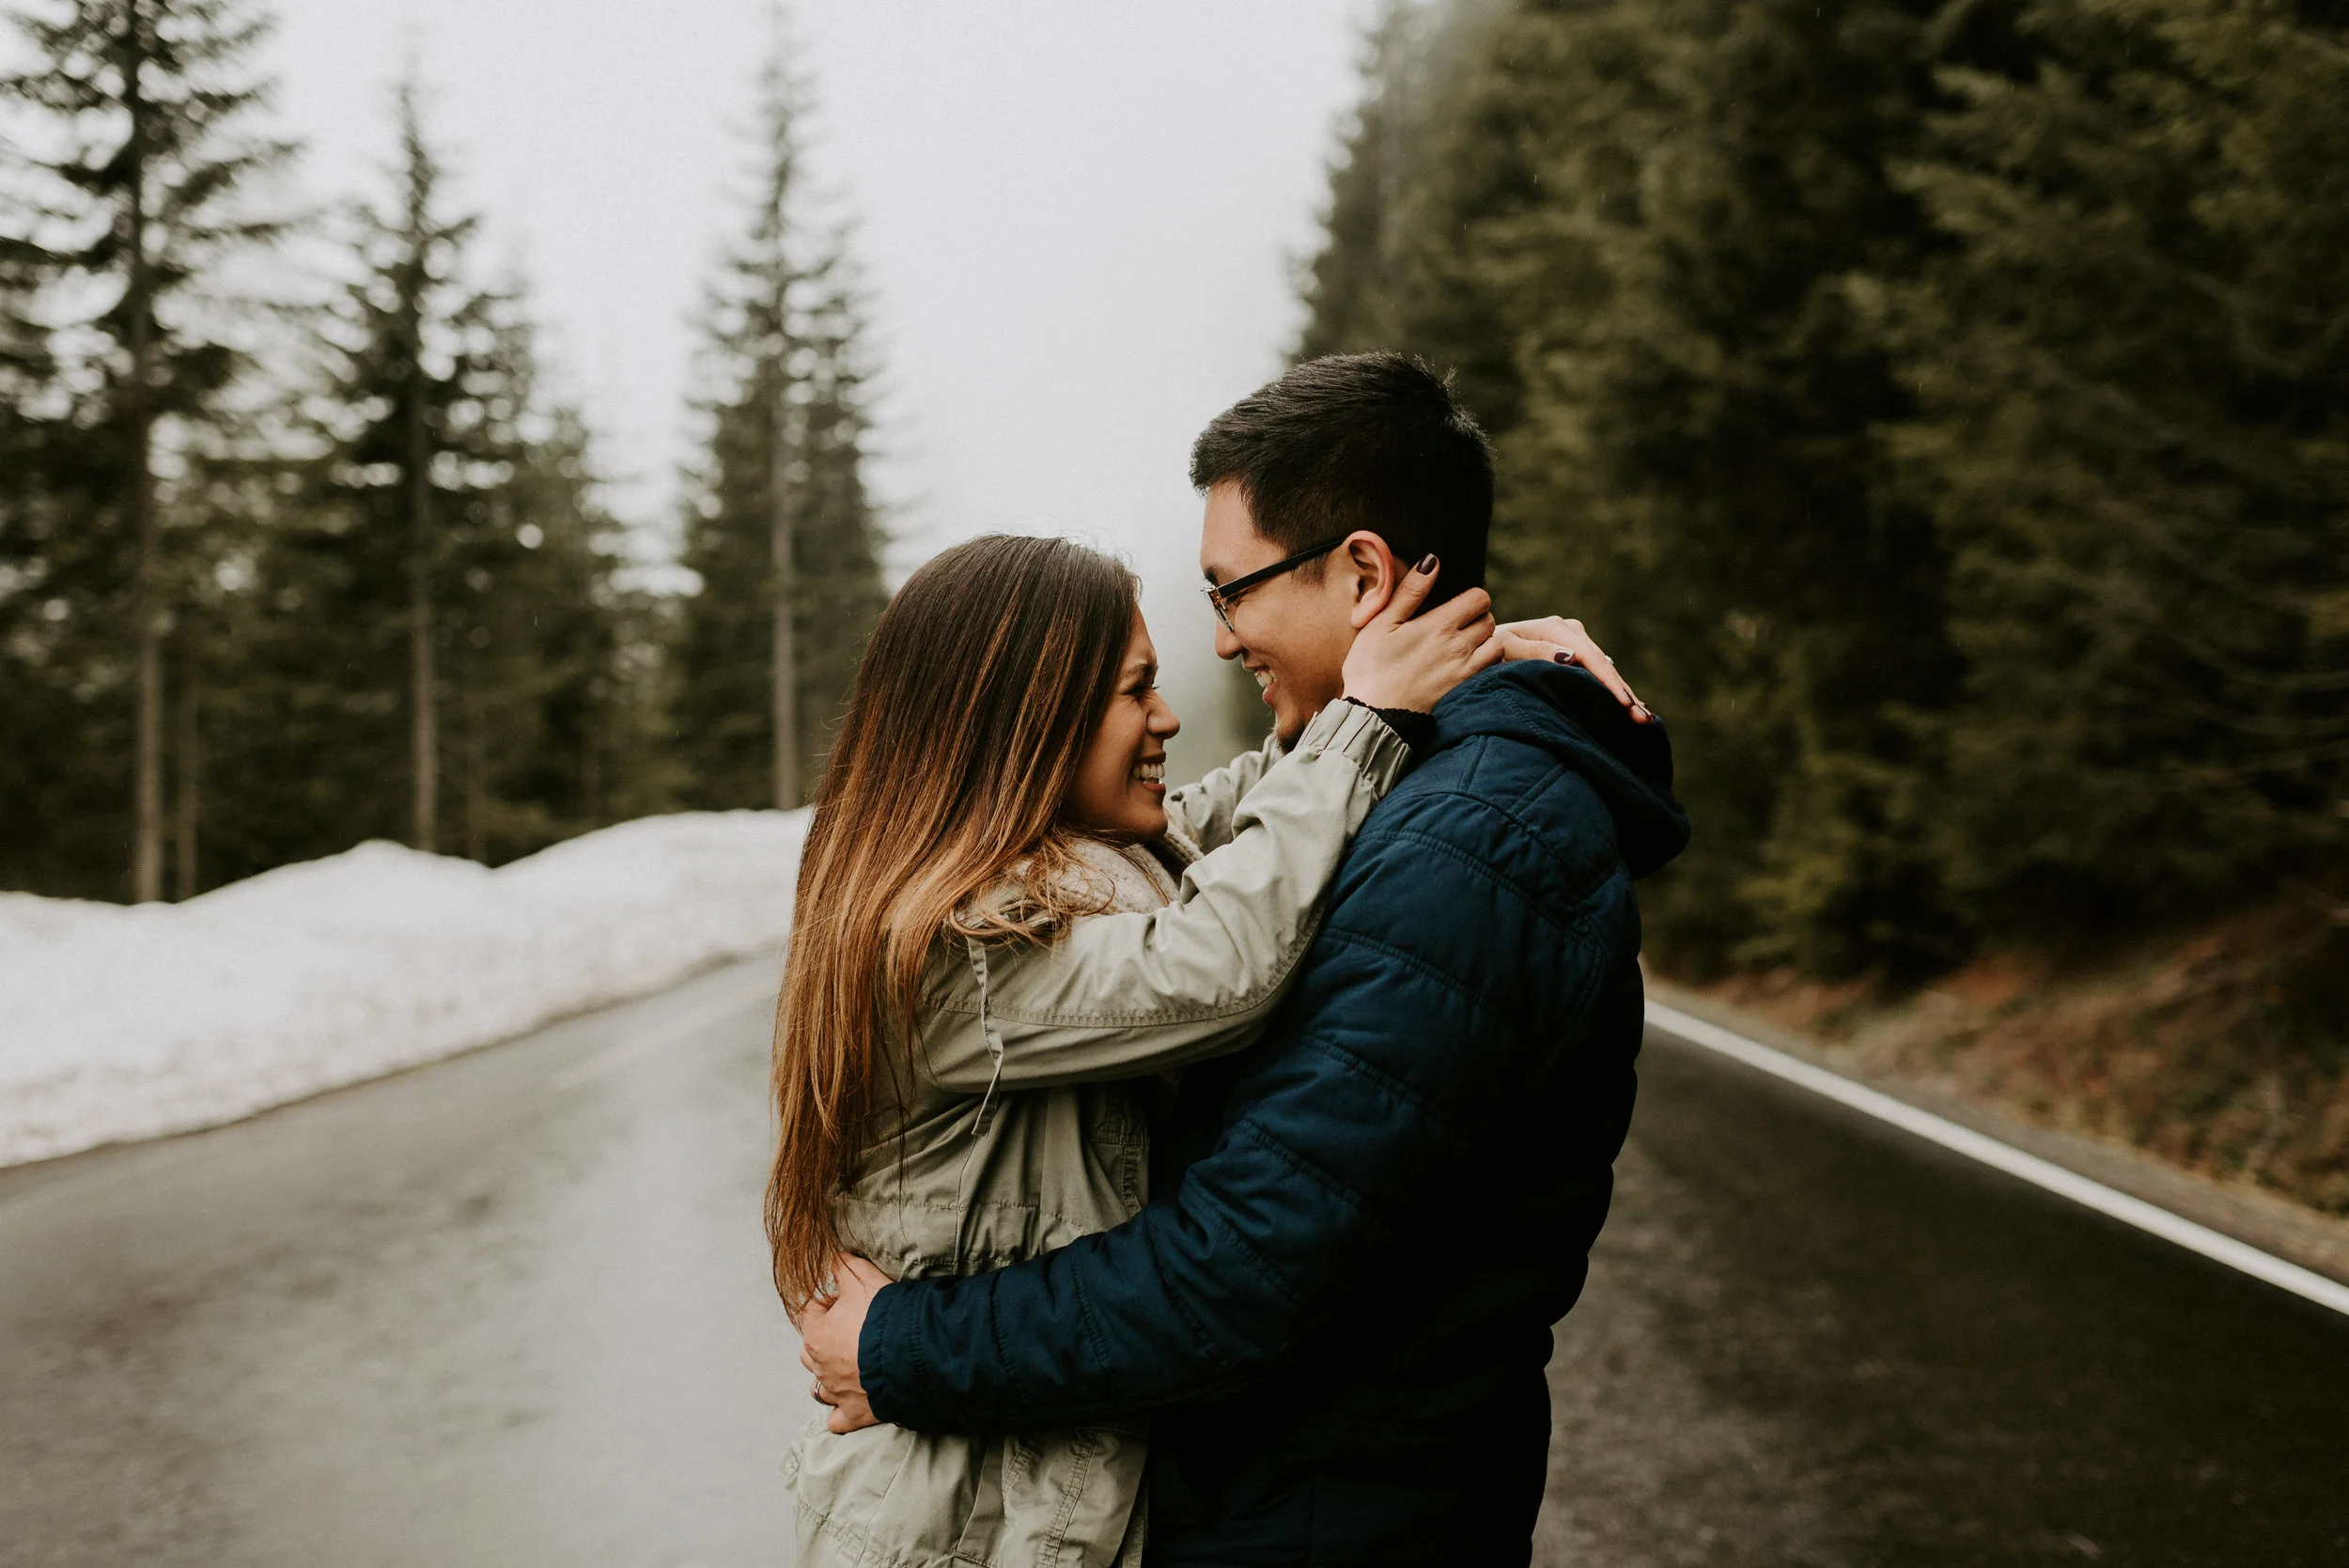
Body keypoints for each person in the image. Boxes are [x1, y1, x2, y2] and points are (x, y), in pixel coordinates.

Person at [801, 353, 1691, 1565]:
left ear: (1366, 574)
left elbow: (1246, 1254)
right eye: (1136, 688)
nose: (1209, 659)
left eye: (1230, 595)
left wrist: (1444, 680)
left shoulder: (1469, 835)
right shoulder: (960, 936)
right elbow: (1218, 915)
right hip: (983, 1509)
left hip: (1314, 1511)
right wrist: (1380, 717)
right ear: (1024, 737)